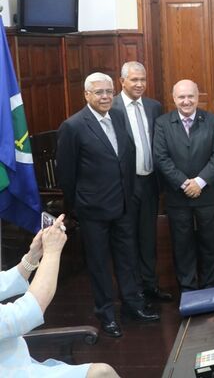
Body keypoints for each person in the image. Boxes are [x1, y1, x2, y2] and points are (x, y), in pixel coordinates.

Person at [56, 72, 159, 338]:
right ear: (87, 95)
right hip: (93, 211)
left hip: (123, 204)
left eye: (108, 91)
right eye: (98, 92)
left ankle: (133, 306)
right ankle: (106, 314)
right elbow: (66, 174)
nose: (104, 97)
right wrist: (78, 206)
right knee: (100, 264)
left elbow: (127, 156)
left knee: (128, 259)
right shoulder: (73, 126)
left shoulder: (118, 116)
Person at [0, 214, 119, 377]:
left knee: (102, 372)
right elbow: (26, 313)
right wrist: (52, 252)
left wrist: (33, 255)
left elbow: (4, 283)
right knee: (102, 373)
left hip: (19, 365)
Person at [154, 80, 214, 292]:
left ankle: (211, 287)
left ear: (197, 97)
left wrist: (200, 182)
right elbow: (161, 157)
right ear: (173, 98)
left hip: (207, 194)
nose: (186, 101)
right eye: (181, 97)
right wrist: (185, 183)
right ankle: (188, 290)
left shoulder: (213, 121)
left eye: (190, 96)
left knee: (210, 243)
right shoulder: (162, 123)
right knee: (182, 245)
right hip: (178, 195)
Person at [111, 61, 171, 302]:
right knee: (127, 240)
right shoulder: (111, 107)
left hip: (149, 183)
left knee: (148, 238)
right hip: (124, 185)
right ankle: (132, 292)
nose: (139, 84)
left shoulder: (154, 106)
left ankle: (150, 286)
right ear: (122, 81)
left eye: (142, 80)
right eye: (134, 80)